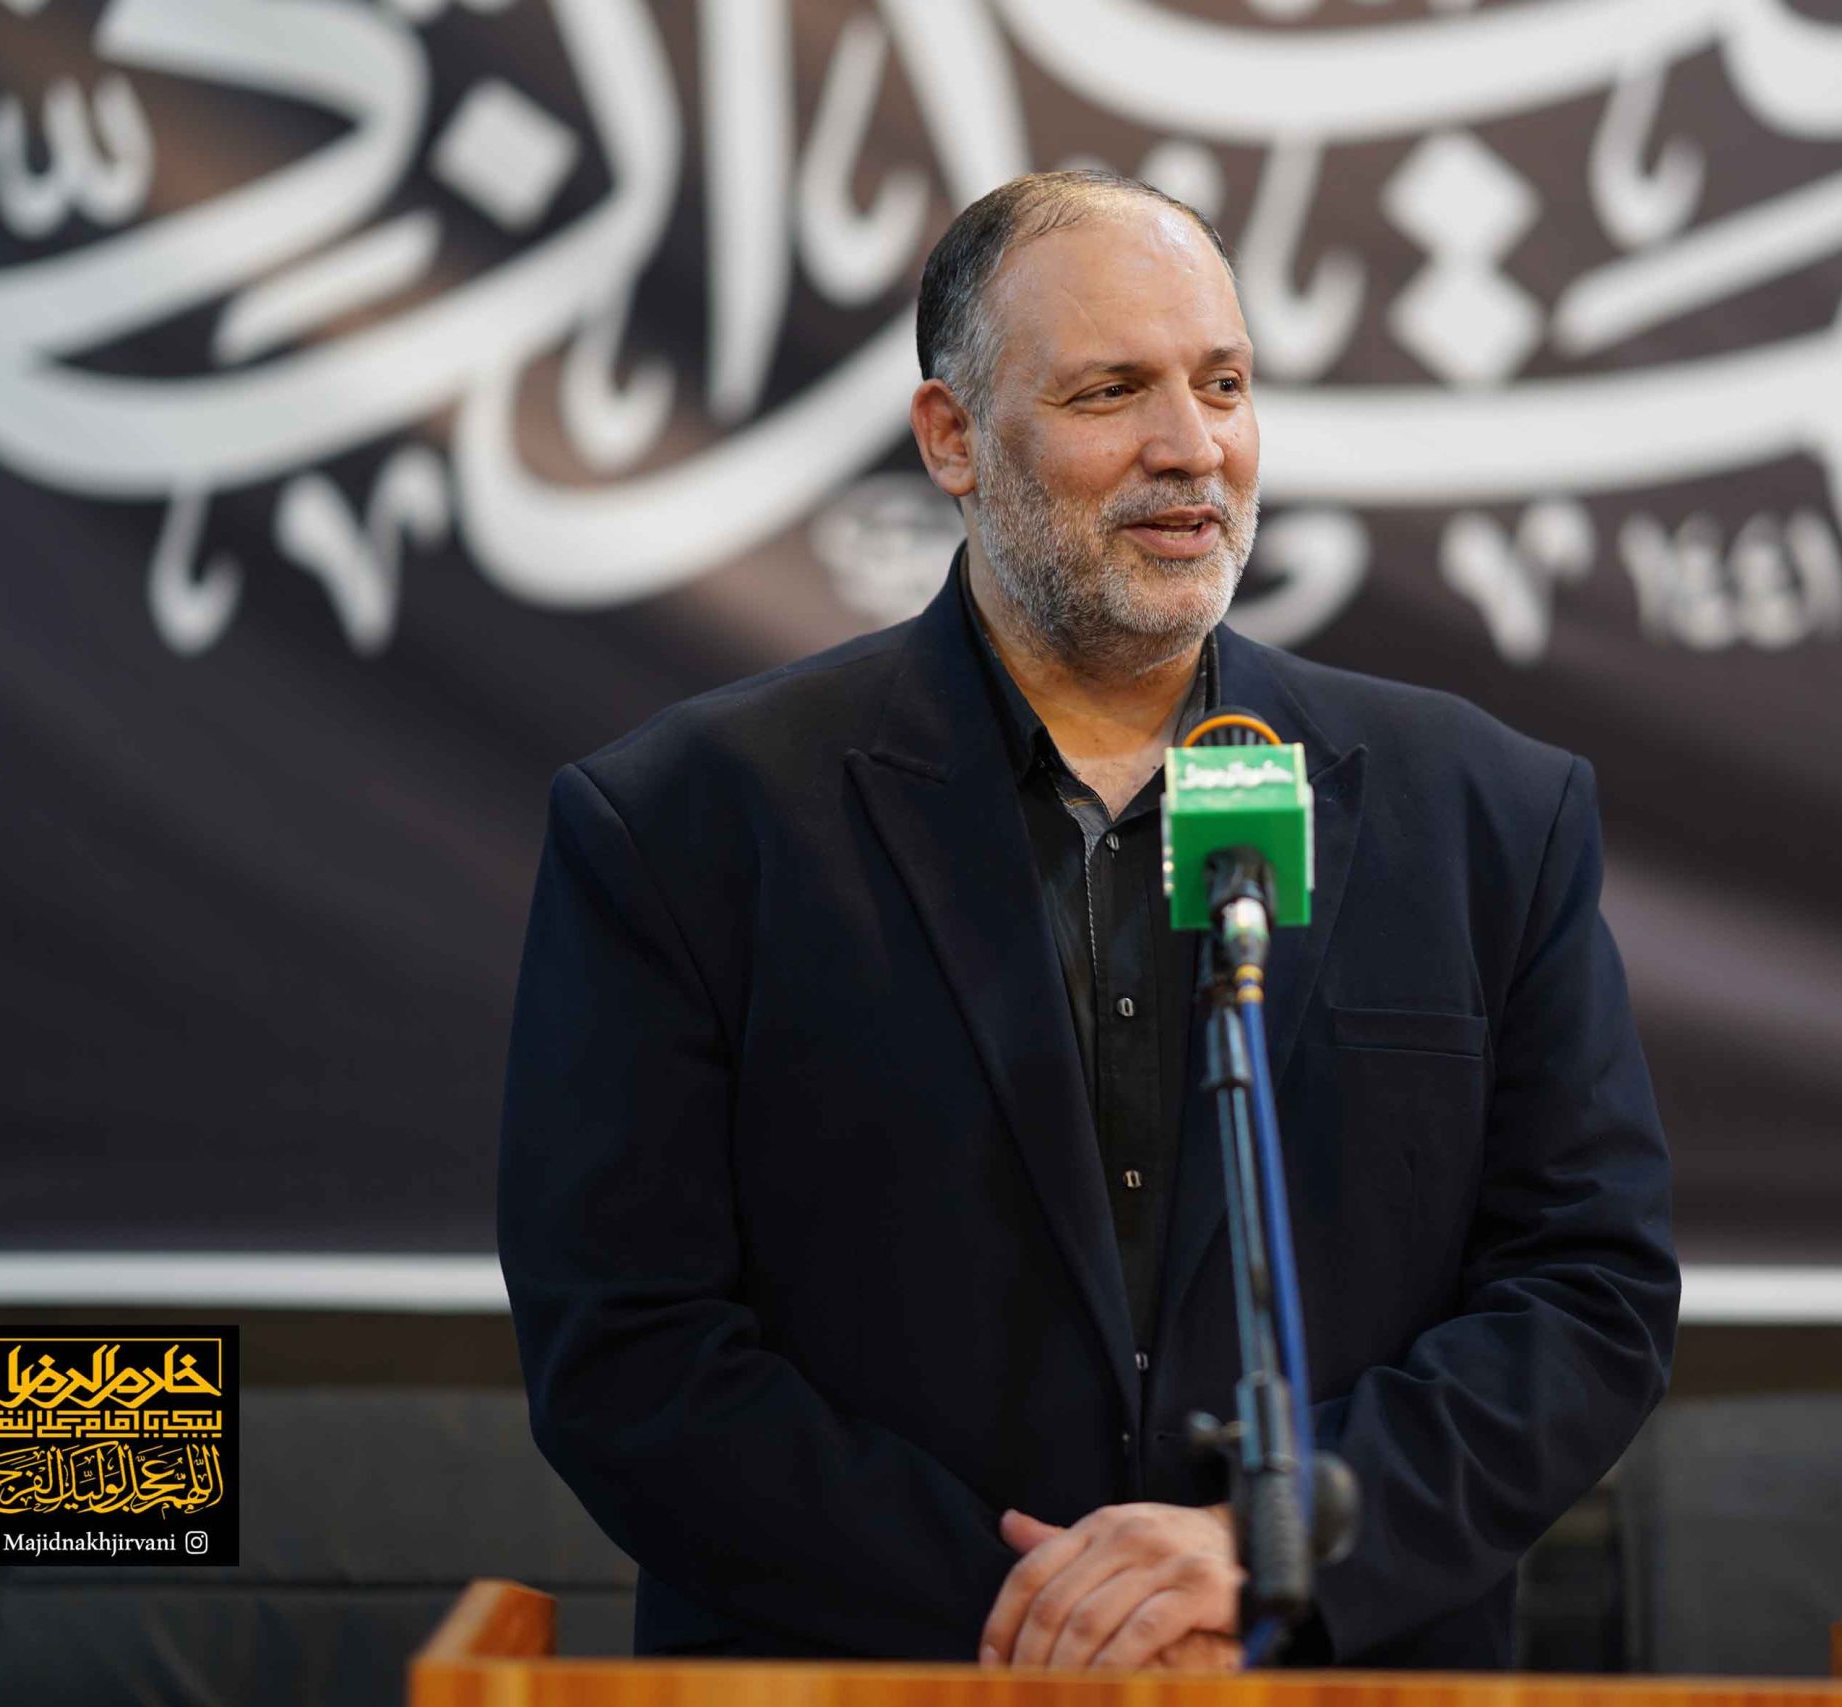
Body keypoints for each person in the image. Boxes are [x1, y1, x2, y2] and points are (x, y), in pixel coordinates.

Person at [498, 170, 1677, 1672]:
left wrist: (1268, 1548)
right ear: (952, 439)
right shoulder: (686, 823)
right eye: (1111, 392)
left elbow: (1586, 1293)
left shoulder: (1486, 814)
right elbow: (628, 1345)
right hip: (879, 1680)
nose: (1191, 447)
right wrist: (1042, 1614)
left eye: (1224, 384)